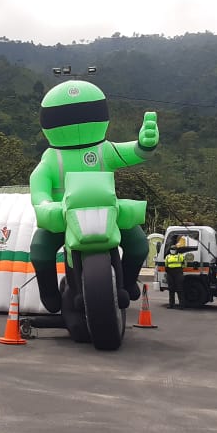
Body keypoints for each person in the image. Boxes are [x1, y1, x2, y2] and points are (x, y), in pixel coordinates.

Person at [29, 80, 157, 314]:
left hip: (107, 212)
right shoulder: (51, 158)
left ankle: (127, 282)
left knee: (138, 245)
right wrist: (45, 204)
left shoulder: (103, 149)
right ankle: (49, 292)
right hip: (63, 216)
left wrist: (145, 144)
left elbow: (134, 152)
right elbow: (38, 185)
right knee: (39, 249)